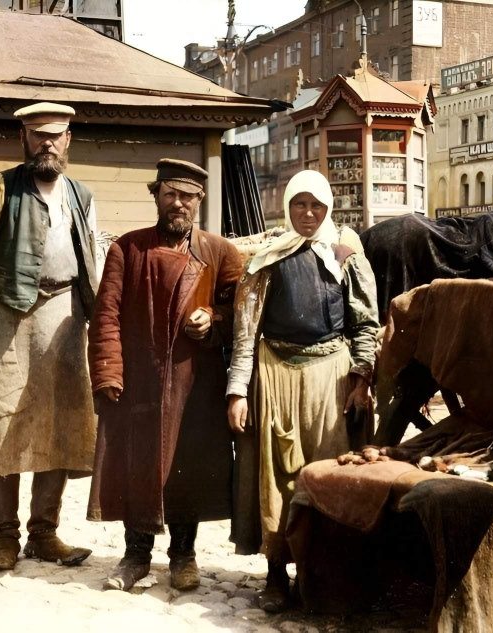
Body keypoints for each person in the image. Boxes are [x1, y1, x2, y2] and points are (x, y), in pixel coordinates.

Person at [226, 170, 380, 612]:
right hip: (275, 375)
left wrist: (361, 379)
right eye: (300, 204)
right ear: (288, 207)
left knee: (328, 474)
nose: (308, 213)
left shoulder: (346, 255)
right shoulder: (268, 259)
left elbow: (365, 325)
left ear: (328, 208)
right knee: (276, 477)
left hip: (330, 379)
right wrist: (238, 391)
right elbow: (246, 332)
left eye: (316, 205)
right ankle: (276, 574)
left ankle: (319, 574)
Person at [87, 159, 243, 592]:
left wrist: (212, 318)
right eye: (170, 194)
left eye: (187, 196)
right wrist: (108, 372)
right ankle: (136, 556)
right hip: (140, 378)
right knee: (136, 465)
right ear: (156, 196)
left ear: (200, 201)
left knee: (186, 467)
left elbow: (240, 312)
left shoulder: (220, 252)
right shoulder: (128, 249)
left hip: (195, 384)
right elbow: (106, 315)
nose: (178, 203)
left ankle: (183, 556)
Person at [0, 102, 100, 571]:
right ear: (23, 138)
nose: (47, 144)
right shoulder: (0, 188)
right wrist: (7, 292)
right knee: (3, 417)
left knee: (60, 420)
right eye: (38, 135)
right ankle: (3, 536)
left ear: (68, 140)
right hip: (12, 316)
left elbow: (92, 256)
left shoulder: (81, 194)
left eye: (55, 136)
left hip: (66, 315)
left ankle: (44, 533)